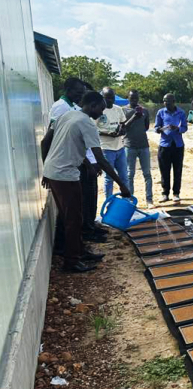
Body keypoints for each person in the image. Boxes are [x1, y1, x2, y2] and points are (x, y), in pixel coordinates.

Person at [41, 91, 131, 272]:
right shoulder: (87, 123)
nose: (102, 113)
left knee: (73, 216)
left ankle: (79, 252)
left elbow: (47, 143)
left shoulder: (67, 115)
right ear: (92, 105)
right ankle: (71, 262)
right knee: (73, 219)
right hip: (65, 174)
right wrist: (121, 184)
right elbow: (102, 159)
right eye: (101, 109)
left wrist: (47, 170)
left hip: (54, 171)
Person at [49, 78, 107, 245]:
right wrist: (122, 185)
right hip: (68, 168)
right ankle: (73, 253)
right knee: (73, 213)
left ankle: (81, 241)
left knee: (81, 207)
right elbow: (52, 138)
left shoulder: (73, 111)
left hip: (71, 165)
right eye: (79, 93)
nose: (80, 97)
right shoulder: (63, 109)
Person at [96, 87, 129, 199]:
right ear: (102, 98)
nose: (110, 100)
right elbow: (94, 130)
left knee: (124, 176)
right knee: (109, 178)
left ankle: (126, 201)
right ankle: (109, 202)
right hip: (106, 148)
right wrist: (108, 134)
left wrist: (121, 131)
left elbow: (123, 124)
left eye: (112, 97)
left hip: (120, 147)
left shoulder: (118, 109)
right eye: (107, 98)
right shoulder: (98, 110)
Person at [122, 90, 153, 208]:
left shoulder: (144, 111)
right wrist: (134, 117)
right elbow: (123, 127)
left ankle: (149, 200)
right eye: (132, 98)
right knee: (130, 174)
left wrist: (139, 116)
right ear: (128, 98)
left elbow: (146, 127)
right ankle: (131, 200)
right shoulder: (123, 110)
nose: (134, 101)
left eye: (136, 98)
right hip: (129, 146)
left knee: (147, 174)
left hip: (144, 145)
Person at [155, 93, 187, 203]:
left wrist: (177, 128)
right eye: (164, 101)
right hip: (165, 145)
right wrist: (160, 129)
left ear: (174, 101)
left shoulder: (181, 112)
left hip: (178, 145)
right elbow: (156, 127)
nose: (166, 103)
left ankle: (176, 193)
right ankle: (165, 193)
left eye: (168, 101)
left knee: (177, 170)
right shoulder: (161, 112)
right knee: (164, 170)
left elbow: (185, 127)